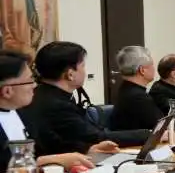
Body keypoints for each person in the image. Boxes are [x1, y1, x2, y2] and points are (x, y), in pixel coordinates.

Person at [19, 41, 152, 155]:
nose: (85, 71)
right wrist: (149, 134)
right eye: (83, 66)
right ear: (70, 74)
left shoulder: (43, 94)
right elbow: (94, 137)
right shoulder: (57, 104)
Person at [0, 50, 117, 173]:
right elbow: (5, 164)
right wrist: (52, 160)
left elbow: (51, 142)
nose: (34, 85)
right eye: (30, 81)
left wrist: (88, 149)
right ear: (7, 91)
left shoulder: (23, 112)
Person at [109, 46, 165, 131]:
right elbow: (161, 126)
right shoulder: (138, 97)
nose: (154, 69)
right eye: (152, 65)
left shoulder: (125, 90)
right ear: (142, 70)